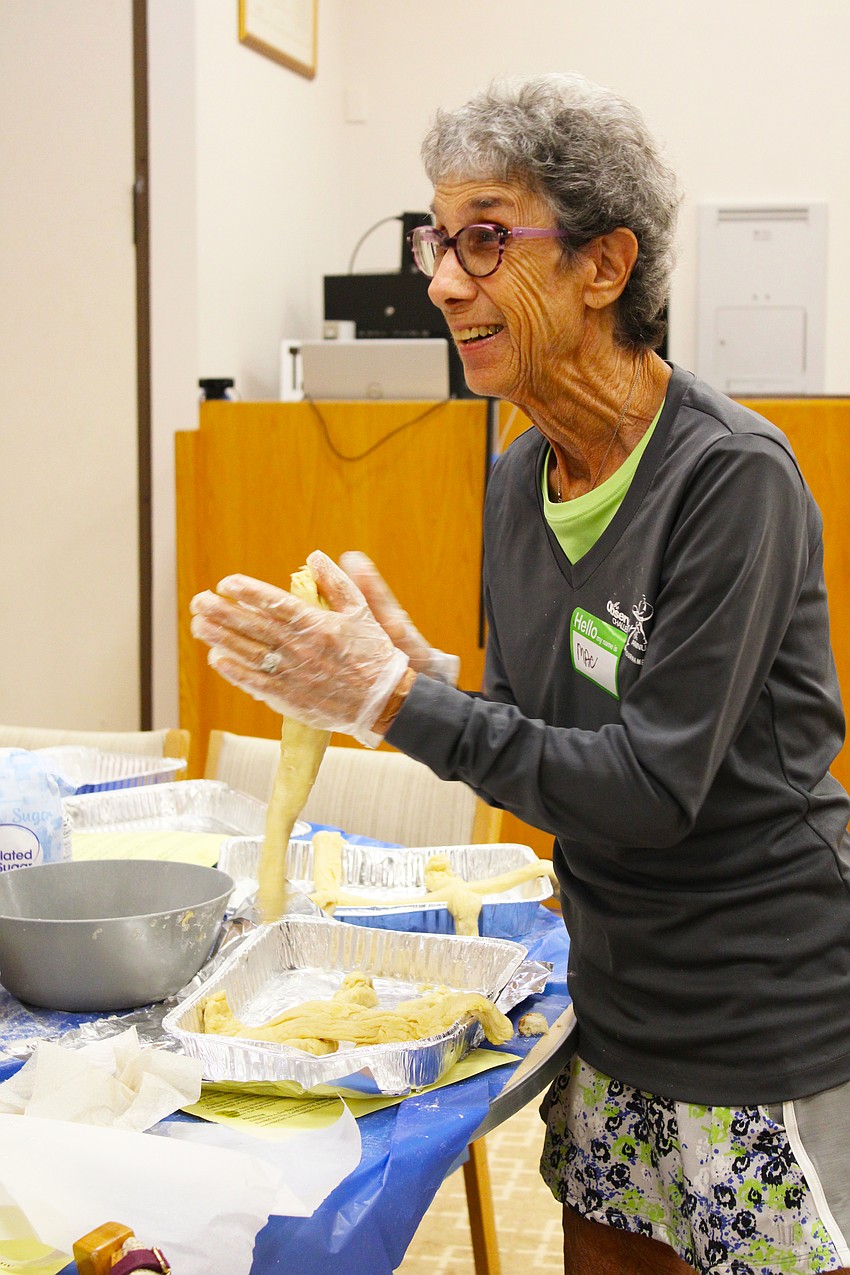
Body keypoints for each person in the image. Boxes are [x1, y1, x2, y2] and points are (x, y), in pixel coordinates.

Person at [189, 73, 850, 1275]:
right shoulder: (517, 472)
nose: (442, 280)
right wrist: (424, 677)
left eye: (486, 240)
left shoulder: (730, 480)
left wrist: (393, 702)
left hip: (759, 1017)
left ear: (603, 266)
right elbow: (551, 739)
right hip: (611, 1005)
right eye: (438, 241)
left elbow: (649, 789)